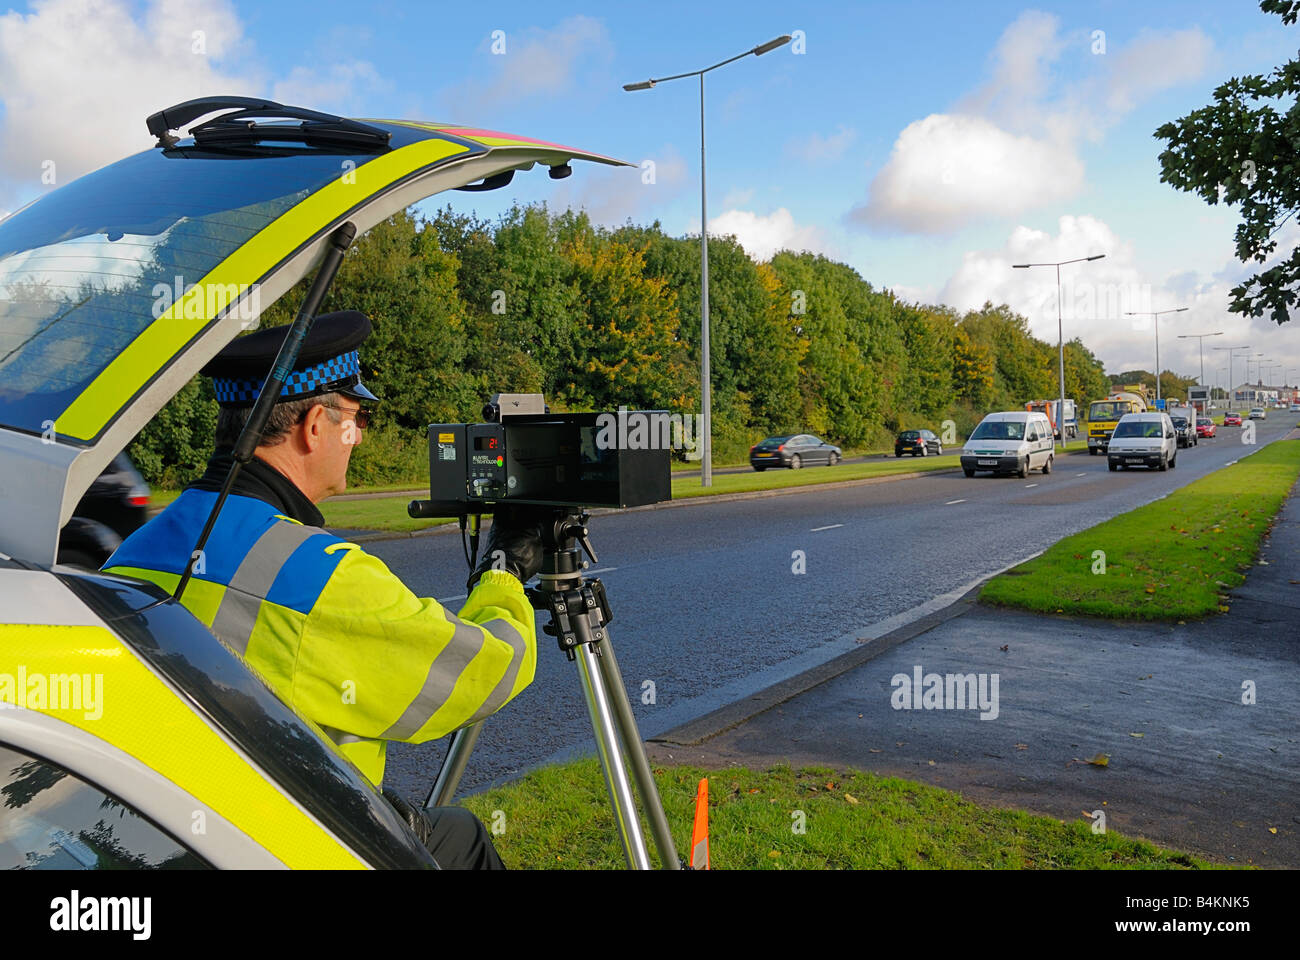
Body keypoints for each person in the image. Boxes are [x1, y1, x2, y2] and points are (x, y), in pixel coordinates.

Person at [103, 311, 546, 869]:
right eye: (355, 417)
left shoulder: (135, 548)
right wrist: (503, 568)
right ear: (315, 425)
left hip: (171, 838)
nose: (358, 436)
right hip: (294, 844)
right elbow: (486, 669)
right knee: (464, 841)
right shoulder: (323, 577)